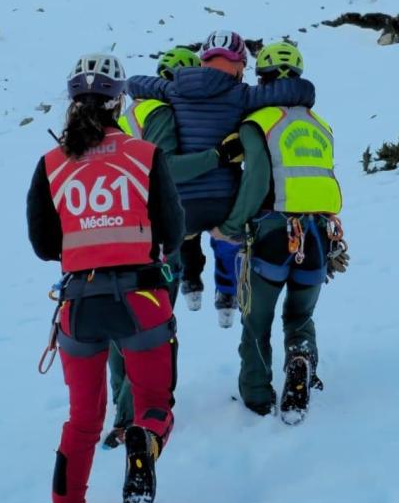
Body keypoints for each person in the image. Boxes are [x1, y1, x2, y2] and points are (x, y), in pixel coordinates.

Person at [26, 53, 185, 503]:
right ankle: (144, 438)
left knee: (82, 420)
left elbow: (42, 244)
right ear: (118, 102)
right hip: (142, 302)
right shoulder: (143, 155)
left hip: (79, 306)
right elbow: (173, 231)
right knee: (155, 402)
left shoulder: (52, 163)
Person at [126, 30, 316, 329]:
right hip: (224, 205)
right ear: (240, 65)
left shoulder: (173, 91)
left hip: (180, 209)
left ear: (202, 62)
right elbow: (294, 91)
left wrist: (161, 84)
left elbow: (136, 82)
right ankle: (235, 300)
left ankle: (165, 319)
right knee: (240, 240)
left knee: (170, 264)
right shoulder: (241, 95)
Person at [102, 47, 242, 449]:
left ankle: (122, 408)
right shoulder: (158, 114)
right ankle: (135, 415)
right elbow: (166, 167)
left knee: (119, 327)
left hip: (114, 231)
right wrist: (217, 157)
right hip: (152, 238)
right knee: (151, 327)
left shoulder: (124, 114)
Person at [210, 42, 349, 423]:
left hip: (271, 234)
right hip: (319, 235)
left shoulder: (260, 121)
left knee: (257, 322)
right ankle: (302, 360)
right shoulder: (320, 125)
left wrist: (230, 227)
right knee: (300, 318)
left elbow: (255, 180)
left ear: (262, 77)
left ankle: (257, 395)